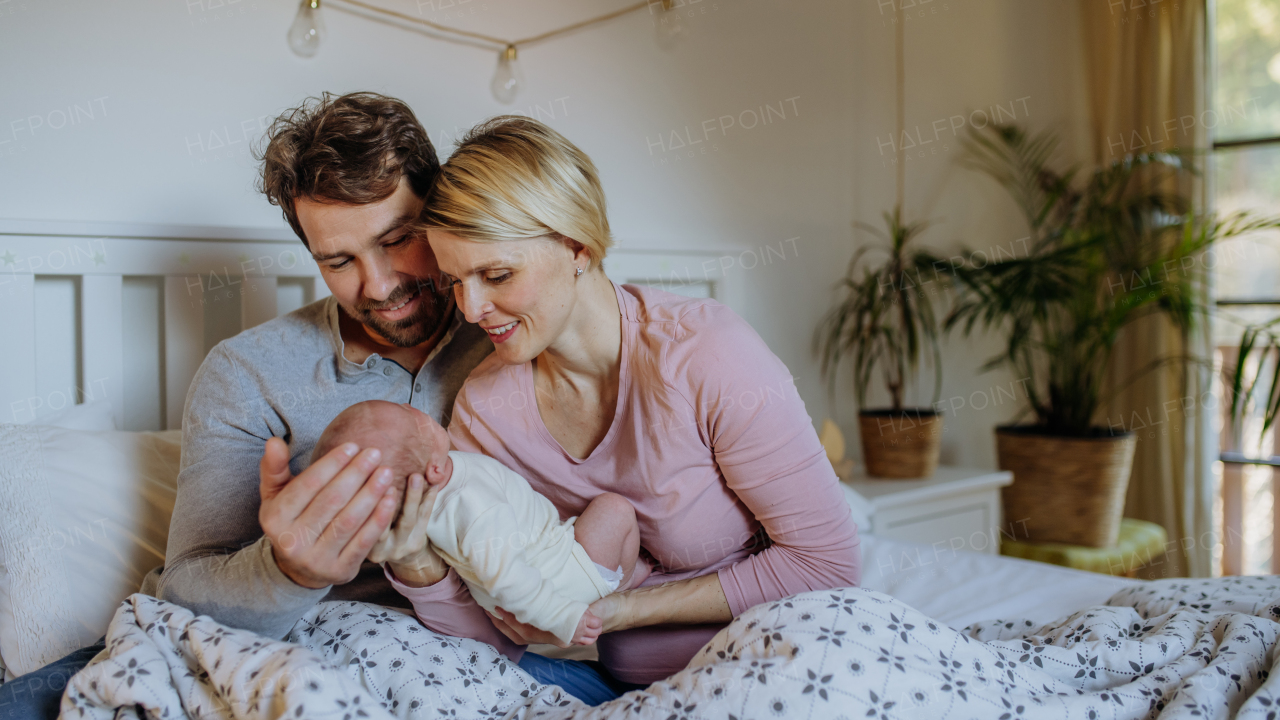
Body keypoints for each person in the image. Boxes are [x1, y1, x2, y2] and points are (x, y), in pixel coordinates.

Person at [0, 92, 504, 719]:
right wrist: (286, 569)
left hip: (448, 667)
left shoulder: (513, 333)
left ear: (439, 212)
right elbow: (188, 584)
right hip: (260, 652)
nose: (377, 286)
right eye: (339, 261)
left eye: (399, 240)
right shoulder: (248, 372)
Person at [388, 116, 864, 705]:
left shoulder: (705, 354)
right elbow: (491, 644)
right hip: (607, 686)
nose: (472, 308)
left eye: (497, 274)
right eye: (456, 281)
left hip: (766, 665)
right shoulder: (486, 410)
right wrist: (413, 561)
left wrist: (618, 612)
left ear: (577, 246)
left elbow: (828, 562)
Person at [313, 399, 649, 647]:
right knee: (615, 509)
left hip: (526, 584)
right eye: (415, 419)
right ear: (433, 469)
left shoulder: (423, 503)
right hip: (559, 581)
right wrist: (566, 619)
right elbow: (508, 579)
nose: (414, 408)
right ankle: (620, 582)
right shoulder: (473, 503)